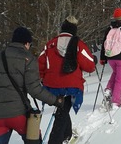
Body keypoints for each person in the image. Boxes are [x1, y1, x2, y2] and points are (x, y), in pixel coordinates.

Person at [0, 26, 64, 144]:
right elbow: (34, 89)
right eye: (29, 45)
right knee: (34, 139)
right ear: (26, 43)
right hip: (18, 114)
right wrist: (56, 100)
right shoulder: (28, 59)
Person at [38, 16, 96, 144]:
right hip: (71, 86)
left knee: (62, 109)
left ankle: (67, 135)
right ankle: (55, 141)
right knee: (61, 113)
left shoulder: (50, 44)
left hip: (51, 85)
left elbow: (40, 64)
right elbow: (90, 66)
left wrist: (42, 78)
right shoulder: (78, 44)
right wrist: (94, 61)